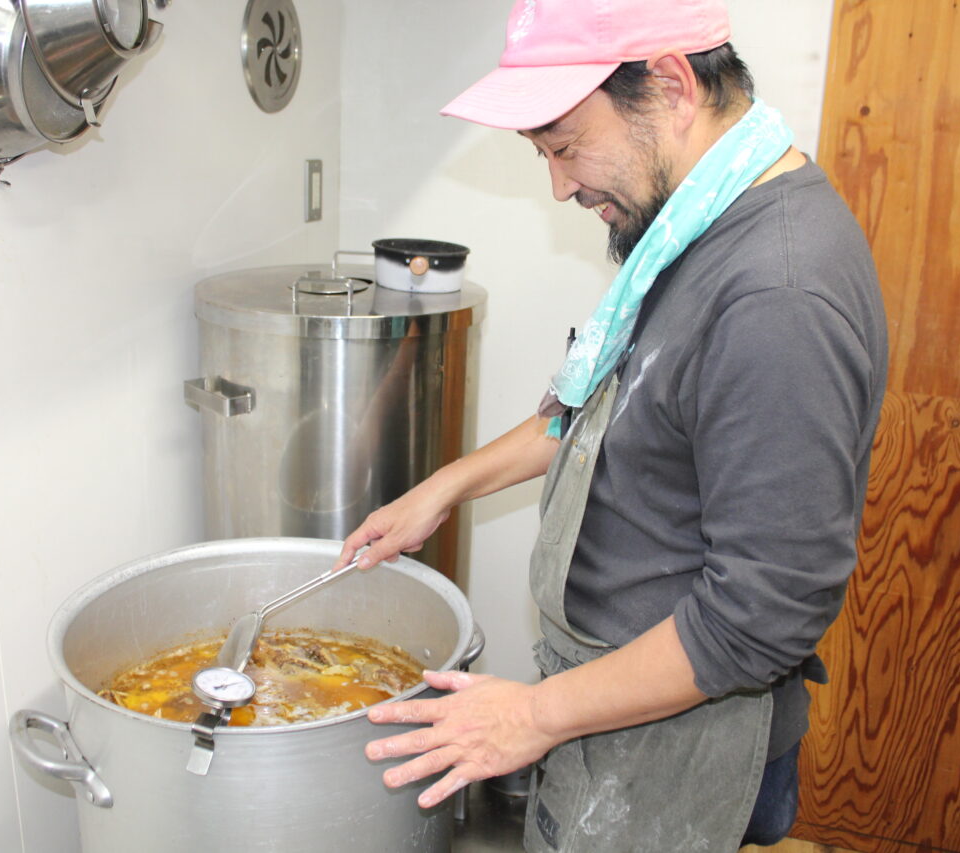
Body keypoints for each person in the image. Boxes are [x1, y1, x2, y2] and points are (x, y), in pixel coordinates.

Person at [335, 1, 888, 849]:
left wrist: (531, 715)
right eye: (544, 155)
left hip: (682, 744)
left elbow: (758, 616)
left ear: (670, 86)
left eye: (565, 146)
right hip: (609, 713)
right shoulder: (694, 223)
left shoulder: (779, 296)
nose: (560, 186)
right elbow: (601, 407)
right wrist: (442, 488)